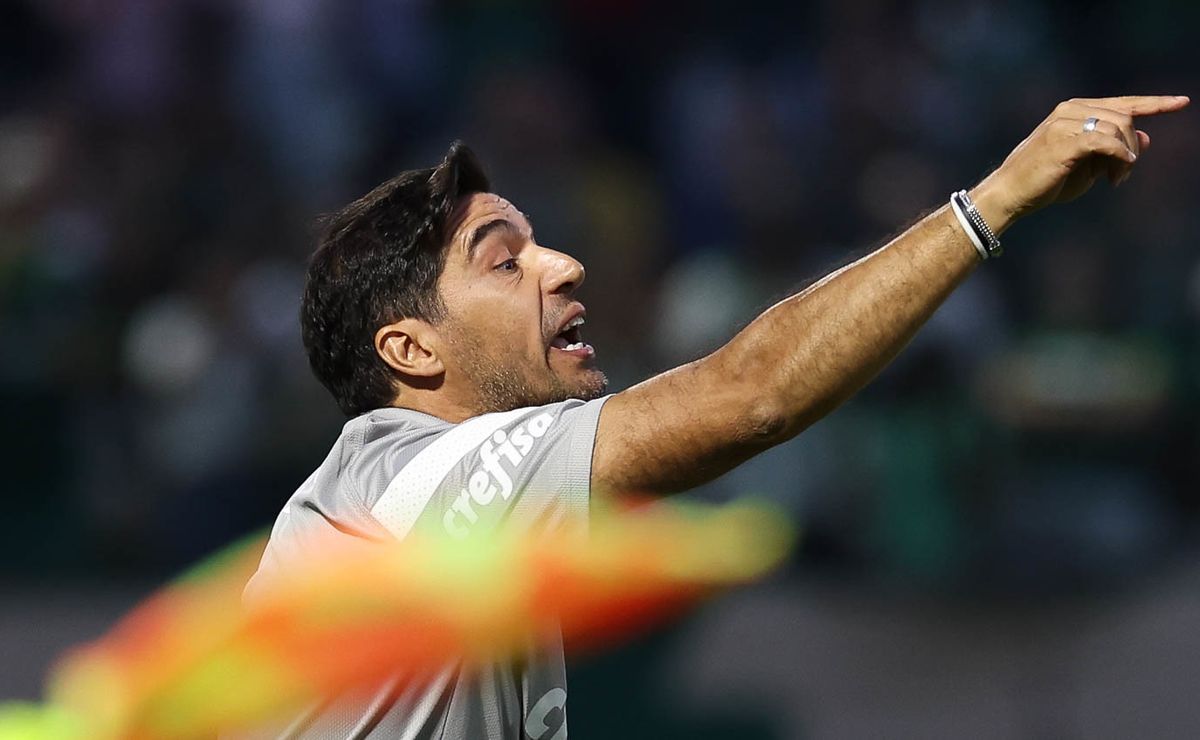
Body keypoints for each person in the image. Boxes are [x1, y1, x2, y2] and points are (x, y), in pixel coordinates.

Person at [242, 95, 1189, 738]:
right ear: (411, 352)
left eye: (540, 243)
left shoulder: (435, 523)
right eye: (504, 260)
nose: (564, 265)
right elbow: (753, 396)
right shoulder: (408, 477)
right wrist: (993, 202)